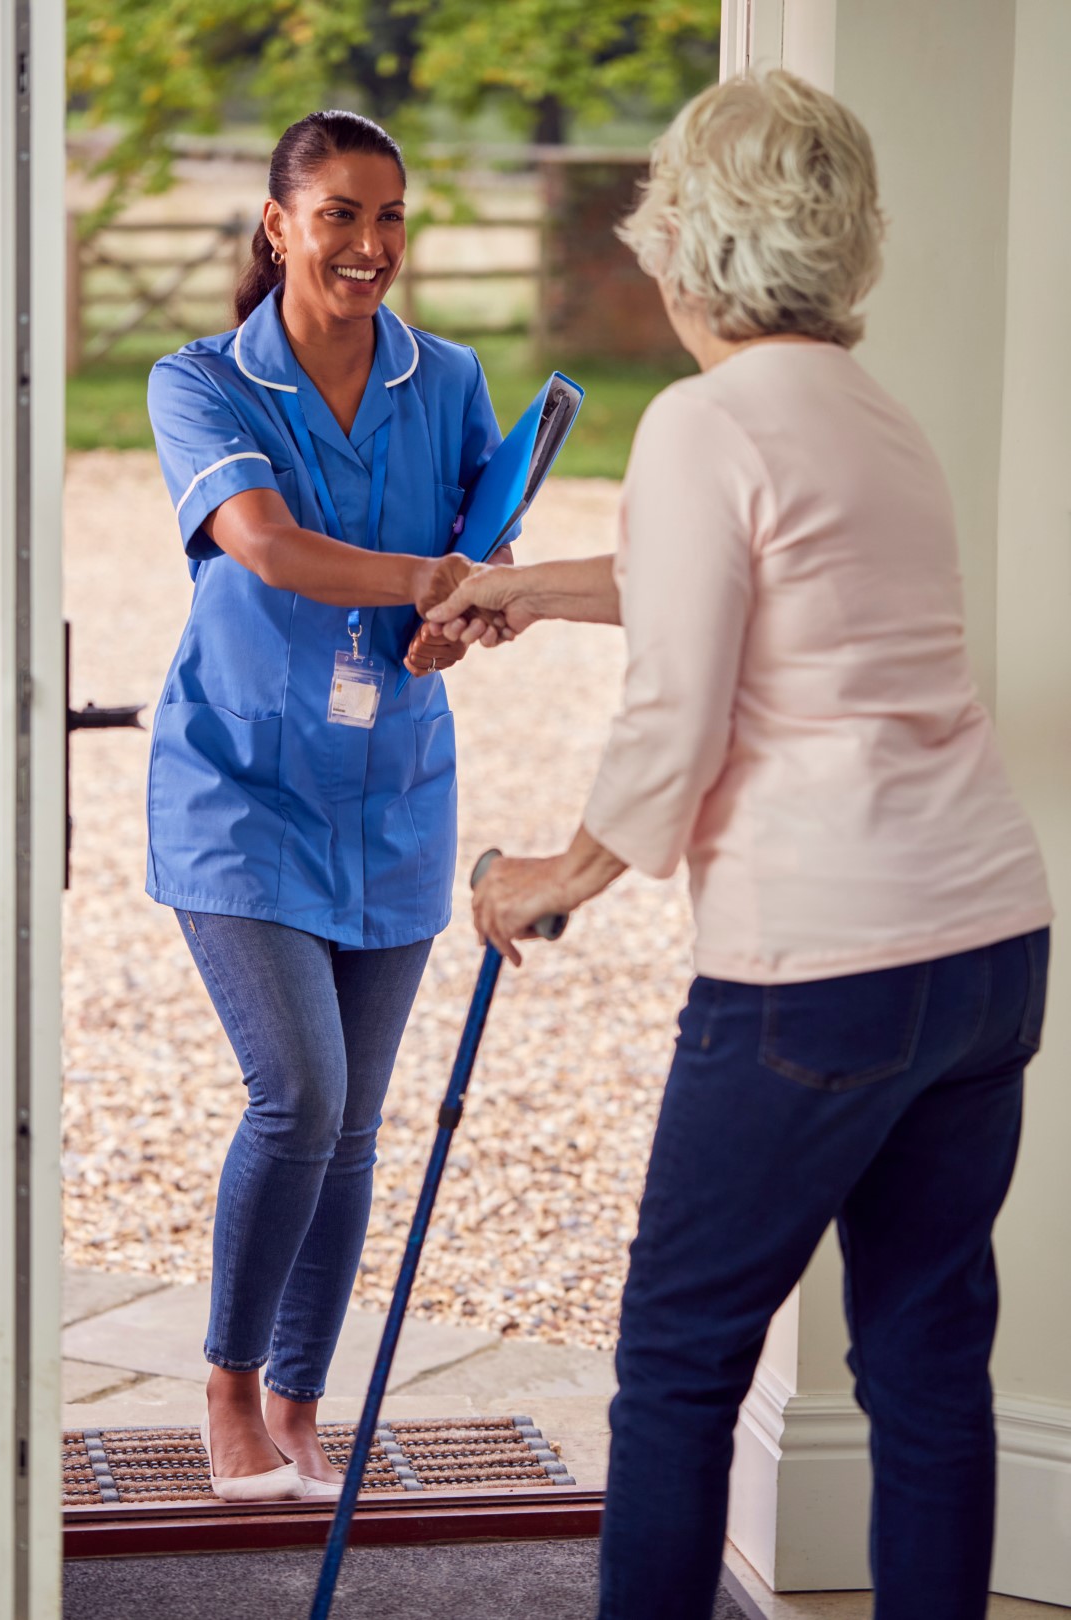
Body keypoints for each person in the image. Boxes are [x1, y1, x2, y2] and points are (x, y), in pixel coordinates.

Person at [426, 71, 1053, 1620]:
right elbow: (723, 583)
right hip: (984, 949)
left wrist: (551, 880)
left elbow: (678, 713)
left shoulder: (704, 421)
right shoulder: (873, 416)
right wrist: (517, 587)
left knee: (680, 1363)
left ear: (688, 237)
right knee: (922, 1358)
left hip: (818, 976)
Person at [145, 109, 506, 1501]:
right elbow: (267, 547)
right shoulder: (204, 384)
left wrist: (468, 610)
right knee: (297, 1092)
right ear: (278, 226)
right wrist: (433, 579)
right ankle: (229, 1386)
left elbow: (488, 545)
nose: (369, 244)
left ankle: (302, 1396)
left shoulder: (451, 377)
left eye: (390, 217)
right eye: (340, 214)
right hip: (240, 791)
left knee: (355, 1123)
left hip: (396, 793)